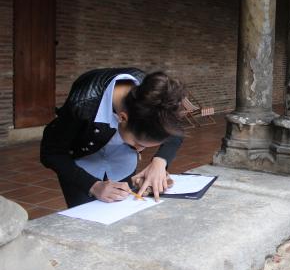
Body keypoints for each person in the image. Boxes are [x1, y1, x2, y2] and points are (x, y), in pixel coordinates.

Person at [40, 68, 186, 208]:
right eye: (137, 143)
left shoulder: (153, 97)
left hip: (121, 159)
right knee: (87, 219)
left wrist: (159, 162)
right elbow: (51, 153)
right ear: (122, 118)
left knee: (123, 208)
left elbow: (175, 131)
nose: (139, 151)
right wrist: (93, 185)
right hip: (82, 160)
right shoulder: (82, 105)